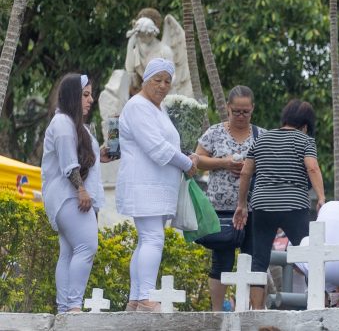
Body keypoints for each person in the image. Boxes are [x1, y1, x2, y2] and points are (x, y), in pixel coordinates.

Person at [116, 58, 199, 312]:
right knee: (153, 238)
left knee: (147, 240)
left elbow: (167, 145)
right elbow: (156, 147)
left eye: (167, 81)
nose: (163, 86)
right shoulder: (138, 106)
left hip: (157, 186)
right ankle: (144, 297)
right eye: (157, 80)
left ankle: (136, 298)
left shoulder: (158, 109)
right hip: (144, 185)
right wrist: (186, 162)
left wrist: (186, 156)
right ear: (145, 80)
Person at [233, 99, 325, 310]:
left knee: (260, 259)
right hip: (294, 204)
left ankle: (256, 311)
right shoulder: (305, 140)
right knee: (309, 255)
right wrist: (321, 197)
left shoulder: (262, 139)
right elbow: (312, 168)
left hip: (263, 204)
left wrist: (242, 204)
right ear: (305, 125)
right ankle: (316, 305)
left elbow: (246, 172)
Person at [42, 74, 112, 313]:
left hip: (67, 197)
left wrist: (100, 156)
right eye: (85, 94)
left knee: (70, 251)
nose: (91, 99)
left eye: (90, 94)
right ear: (72, 95)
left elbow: (80, 157)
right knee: (87, 246)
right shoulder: (62, 123)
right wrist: (80, 188)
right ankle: (73, 306)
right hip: (69, 195)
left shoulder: (73, 124)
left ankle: (65, 309)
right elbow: (68, 163)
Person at [195, 85, 265, 311]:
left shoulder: (261, 135)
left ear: (252, 109)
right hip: (221, 208)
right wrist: (224, 162)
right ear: (228, 108)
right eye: (236, 111)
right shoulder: (214, 132)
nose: (241, 116)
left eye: (246, 112)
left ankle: (255, 313)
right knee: (221, 262)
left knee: (254, 262)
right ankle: (217, 312)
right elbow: (197, 160)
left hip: (252, 209)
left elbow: (269, 167)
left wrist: (249, 168)